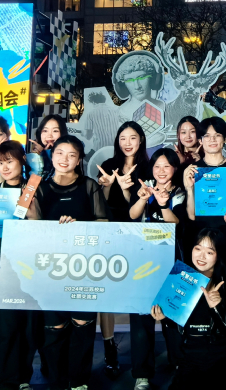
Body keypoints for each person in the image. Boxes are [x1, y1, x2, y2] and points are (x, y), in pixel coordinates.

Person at [36, 136, 107, 390]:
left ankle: (79, 381)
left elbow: (104, 222)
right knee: (54, 326)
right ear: (52, 156)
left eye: (71, 155)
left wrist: (80, 226)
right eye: (59, 153)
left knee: (82, 324)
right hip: (50, 268)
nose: (64, 159)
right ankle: (56, 380)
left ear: (79, 160)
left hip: (83, 267)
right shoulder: (39, 187)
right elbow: (30, 228)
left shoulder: (89, 186)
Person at [0, 141, 42, 390]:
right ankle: (7, 380)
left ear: (22, 161)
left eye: (10, 161)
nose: (4, 167)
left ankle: (23, 378)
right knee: (4, 331)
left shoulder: (34, 190)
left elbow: (43, 232)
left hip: (27, 271)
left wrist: (34, 214)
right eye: (1, 162)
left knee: (28, 330)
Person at [151, 228, 226, 390]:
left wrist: (216, 307)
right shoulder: (181, 280)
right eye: (198, 248)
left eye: (209, 252)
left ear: (218, 255)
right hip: (191, 355)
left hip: (223, 356)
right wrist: (164, 318)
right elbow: (178, 325)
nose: (201, 256)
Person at [128, 147, 188, 390]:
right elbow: (133, 216)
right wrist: (143, 198)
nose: (161, 171)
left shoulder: (181, 192)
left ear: (175, 169)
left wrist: (163, 205)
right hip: (144, 262)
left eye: (167, 166)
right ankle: (142, 375)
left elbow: (177, 224)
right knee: (141, 317)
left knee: (172, 315)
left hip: (172, 262)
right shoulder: (146, 187)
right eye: (157, 166)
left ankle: (180, 366)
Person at [96, 121, 152, 377]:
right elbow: (102, 205)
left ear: (141, 140)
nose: (127, 143)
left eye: (132, 138)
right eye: (122, 138)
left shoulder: (150, 167)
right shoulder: (108, 165)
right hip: (110, 233)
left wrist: (128, 189)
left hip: (138, 234)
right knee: (106, 290)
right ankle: (109, 347)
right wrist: (108, 185)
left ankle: (143, 357)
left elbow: (142, 209)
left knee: (136, 291)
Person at [183, 117, 226, 282]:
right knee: (201, 284)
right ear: (200, 140)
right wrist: (189, 190)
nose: (212, 140)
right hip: (201, 237)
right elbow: (191, 216)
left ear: (225, 138)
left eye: (217, 135)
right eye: (206, 136)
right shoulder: (193, 170)